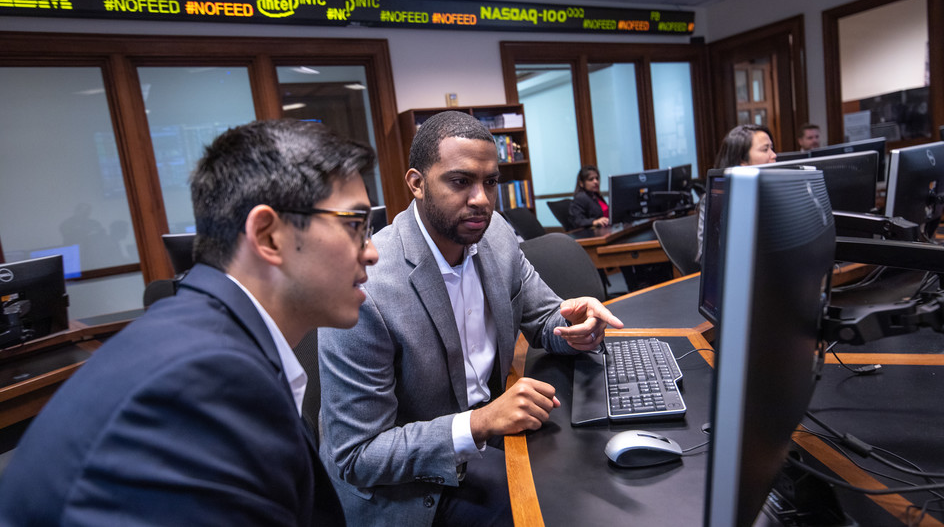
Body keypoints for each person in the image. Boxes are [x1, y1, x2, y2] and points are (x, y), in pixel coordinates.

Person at [0, 119, 380, 526]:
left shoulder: (207, 336)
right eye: (355, 225)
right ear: (269, 237)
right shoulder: (206, 378)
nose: (372, 251)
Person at [316, 111, 624, 527]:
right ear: (416, 183)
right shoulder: (365, 288)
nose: (481, 198)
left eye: (491, 182)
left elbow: (546, 316)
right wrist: (479, 423)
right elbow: (359, 456)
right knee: (556, 511)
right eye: (460, 181)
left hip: (493, 436)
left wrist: (577, 328)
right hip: (411, 488)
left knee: (598, 480)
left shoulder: (495, 233)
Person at [696, 124, 777, 262]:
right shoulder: (717, 199)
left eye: (772, 148)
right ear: (742, 160)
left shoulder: (776, 192)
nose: (773, 155)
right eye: (765, 149)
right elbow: (709, 255)